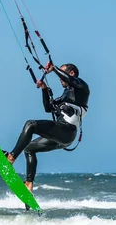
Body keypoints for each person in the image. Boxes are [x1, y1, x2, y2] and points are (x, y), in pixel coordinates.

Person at [5, 62, 90, 192]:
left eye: (62, 74)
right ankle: (28, 183)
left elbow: (70, 80)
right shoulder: (64, 96)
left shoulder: (82, 88)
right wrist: (44, 89)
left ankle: (10, 158)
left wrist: (54, 68)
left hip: (67, 130)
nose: (59, 78)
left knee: (31, 125)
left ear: (71, 73)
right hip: (63, 136)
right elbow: (48, 108)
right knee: (29, 148)